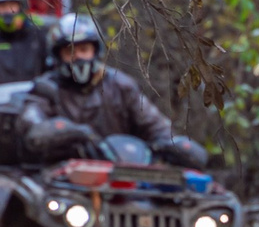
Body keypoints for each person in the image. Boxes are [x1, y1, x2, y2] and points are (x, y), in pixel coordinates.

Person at [18, 14, 211, 168]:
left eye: (84, 49)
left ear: (95, 51)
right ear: (58, 56)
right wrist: (62, 131)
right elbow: (31, 122)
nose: (78, 57)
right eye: (70, 52)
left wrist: (172, 144)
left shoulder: (121, 85)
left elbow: (155, 126)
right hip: (64, 175)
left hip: (122, 172)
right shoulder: (44, 89)